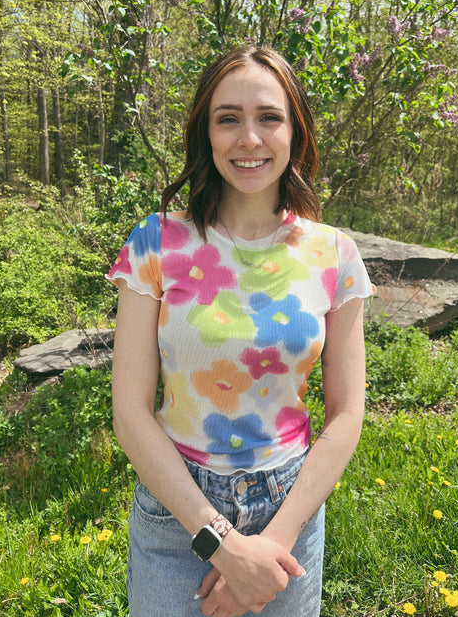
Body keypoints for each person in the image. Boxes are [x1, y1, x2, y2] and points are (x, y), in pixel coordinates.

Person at [107, 46, 375, 617]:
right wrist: (222, 547)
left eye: (268, 117)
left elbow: (348, 412)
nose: (248, 138)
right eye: (228, 118)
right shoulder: (156, 243)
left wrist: (269, 548)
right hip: (176, 514)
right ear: (206, 134)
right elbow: (130, 411)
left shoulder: (335, 255)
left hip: (290, 514)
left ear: (295, 131)